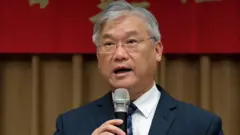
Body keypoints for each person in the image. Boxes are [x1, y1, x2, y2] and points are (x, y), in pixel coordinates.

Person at [53, 1, 224, 135]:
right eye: (109, 44)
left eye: (131, 42)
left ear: (157, 51)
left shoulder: (200, 126)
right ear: (98, 56)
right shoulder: (71, 125)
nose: (119, 54)